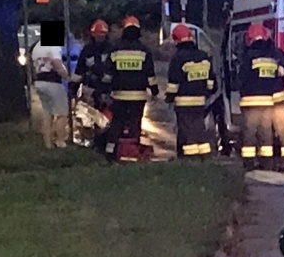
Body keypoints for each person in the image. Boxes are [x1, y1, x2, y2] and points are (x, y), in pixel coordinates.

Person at [237, 22, 284, 170]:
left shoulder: (248, 55)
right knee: (266, 133)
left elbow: (241, 77)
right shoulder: (274, 54)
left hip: (250, 102)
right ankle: (266, 163)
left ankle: (249, 164)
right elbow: (281, 73)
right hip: (270, 100)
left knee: (249, 134)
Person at [101, 16, 157, 162]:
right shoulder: (144, 51)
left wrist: (105, 92)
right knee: (134, 123)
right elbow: (150, 75)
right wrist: (155, 91)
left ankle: (111, 153)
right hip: (138, 96)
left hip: (119, 96)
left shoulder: (115, 49)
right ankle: (132, 153)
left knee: (116, 123)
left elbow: (107, 75)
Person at [165, 23, 218, 158]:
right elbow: (212, 82)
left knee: (186, 132)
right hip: (200, 102)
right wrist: (207, 93)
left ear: (176, 39)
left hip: (183, 103)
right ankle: (204, 157)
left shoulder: (178, 58)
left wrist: (169, 99)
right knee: (199, 129)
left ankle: (189, 158)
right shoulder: (203, 56)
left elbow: (173, 84)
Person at [73, 18, 112, 149]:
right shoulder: (88, 50)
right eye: (98, 34)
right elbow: (79, 71)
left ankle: (104, 144)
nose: (100, 37)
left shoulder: (111, 49)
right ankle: (92, 144)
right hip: (91, 89)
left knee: (107, 120)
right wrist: (73, 90)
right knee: (90, 119)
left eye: (102, 34)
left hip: (107, 90)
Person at [28, 34, 69, 148]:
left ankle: (47, 142)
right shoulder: (53, 46)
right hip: (53, 82)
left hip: (39, 82)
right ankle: (60, 141)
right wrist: (68, 77)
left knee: (47, 113)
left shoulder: (36, 47)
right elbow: (56, 64)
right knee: (62, 113)